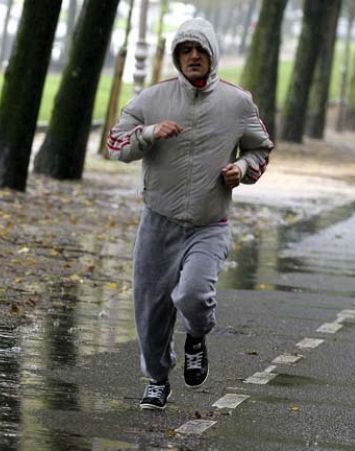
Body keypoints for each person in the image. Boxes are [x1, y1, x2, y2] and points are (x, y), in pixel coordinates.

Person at [106, 18, 273, 410]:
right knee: (150, 310)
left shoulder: (237, 102)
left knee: (194, 295)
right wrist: (148, 134)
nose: (193, 56)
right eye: (185, 50)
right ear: (177, 56)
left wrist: (243, 170)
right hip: (158, 221)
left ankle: (196, 336)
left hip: (208, 224)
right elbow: (116, 143)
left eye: (200, 50)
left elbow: (260, 149)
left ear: (212, 55)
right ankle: (157, 380)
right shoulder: (152, 99)